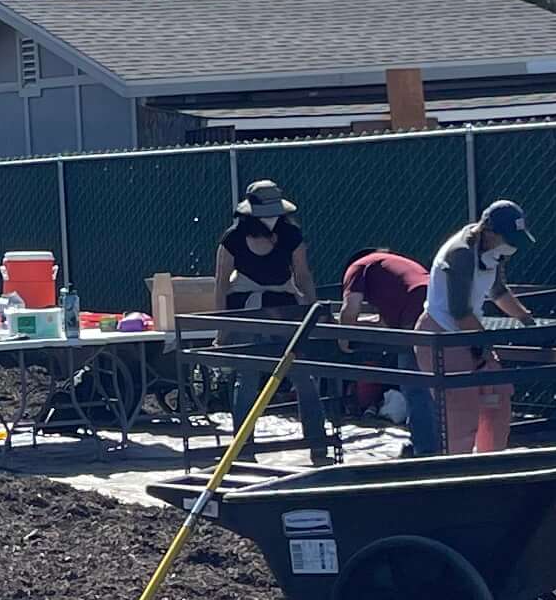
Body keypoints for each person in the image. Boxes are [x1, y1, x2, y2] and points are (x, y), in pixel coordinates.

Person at [211, 178, 332, 461]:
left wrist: (311, 313)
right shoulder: (232, 238)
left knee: (302, 374)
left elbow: (302, 275)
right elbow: (221, 284)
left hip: (284, 307)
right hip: (246, 309)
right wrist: (223, 329)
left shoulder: (290, 234)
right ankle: (243, 449)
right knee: (248, 376)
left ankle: (317, 444)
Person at [419, 199, 533, 456]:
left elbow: (498, 291)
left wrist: (526, 318)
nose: (512, 245)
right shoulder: (460, 254)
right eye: (508, 237)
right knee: (462, 411)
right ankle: (459, 476)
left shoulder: (492, 253)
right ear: (490, 232)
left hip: (470, 334)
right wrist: (483, 347)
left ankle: (491, 464)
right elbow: (460, 312)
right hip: (443, 334)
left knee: (498, 399)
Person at [337, 246, 434, 451]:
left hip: (416, 308)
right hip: (436, 302)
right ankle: (441, 441)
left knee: (414, 383)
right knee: (434, 382)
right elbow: (383, 324)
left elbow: (350, 308)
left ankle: (425, 448)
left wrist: (342, 338)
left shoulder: (358, 267)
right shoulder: (393, 268)